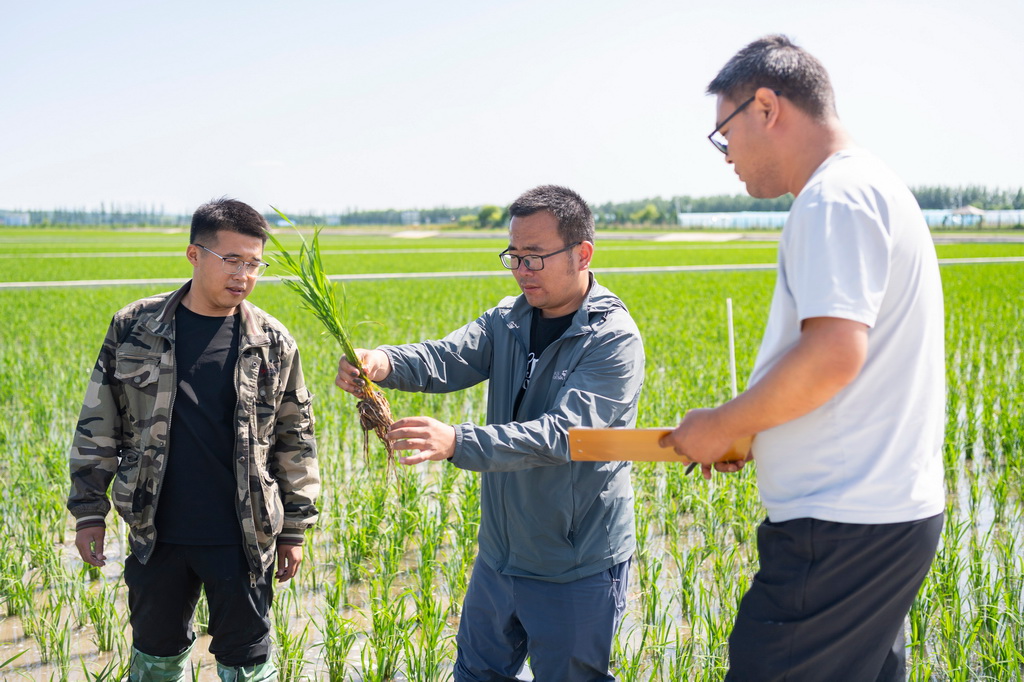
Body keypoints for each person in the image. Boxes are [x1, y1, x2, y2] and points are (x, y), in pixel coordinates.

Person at [661, 35, 946, 682]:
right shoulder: (868, 187)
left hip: (840, 527)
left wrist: (725, 424)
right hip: (876, 517)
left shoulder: (833, 197)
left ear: (766, 107)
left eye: (723, 133)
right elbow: (854, 378)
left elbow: (832, 357)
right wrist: (761, 432)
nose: (726, 155)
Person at [336, 184, 645, 681]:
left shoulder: (612, 340)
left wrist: (459, 442)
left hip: (575, 562)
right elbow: (448, 357)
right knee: (477, 674)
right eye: (514, 256)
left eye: (536, 257)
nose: (522, 270)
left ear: (582, 253)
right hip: (501, 556)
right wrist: (383, 362)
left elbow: (562, 436)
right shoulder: (509, 319)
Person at [67, 198, 320, 682]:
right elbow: (100, 422)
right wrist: (88, 513)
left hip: (242, 535)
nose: (244, 275)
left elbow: (295, 438)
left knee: (246, 665)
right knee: (157, 660)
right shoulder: (135, 327)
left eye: (254, 264)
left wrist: (295, 529)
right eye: (232, 260)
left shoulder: (272, 341)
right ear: (194, 254)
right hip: (155, 532)